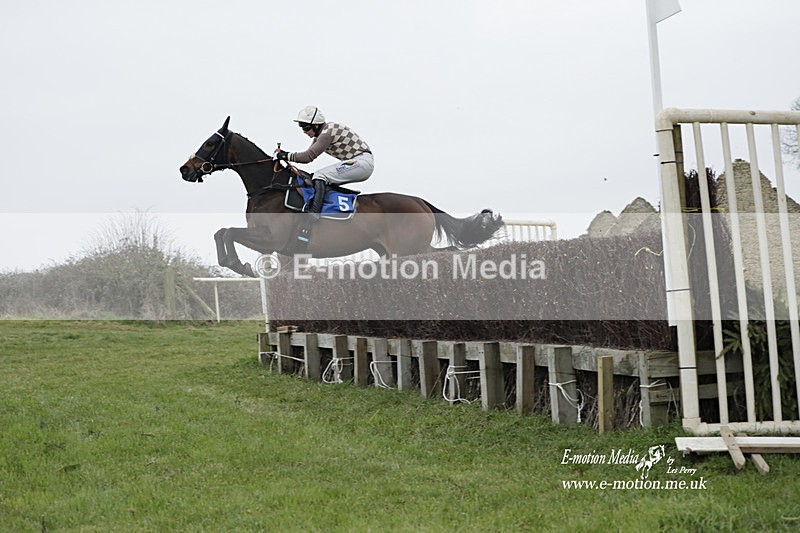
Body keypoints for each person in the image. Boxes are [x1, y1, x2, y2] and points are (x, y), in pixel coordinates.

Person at [274, 106, 374, 219]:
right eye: (301, 128)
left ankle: (314, 212)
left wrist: (283, 155)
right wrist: (285, 154)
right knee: (316, 178)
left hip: (362, 162)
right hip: (360, 162)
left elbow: (307, 157)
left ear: (316, 125)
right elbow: (307, 155)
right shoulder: (322, 134)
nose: (304, 132)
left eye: (306, 128)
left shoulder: (327, 132)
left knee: (320, 175)